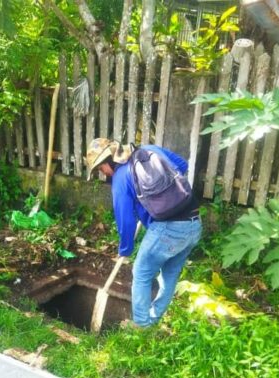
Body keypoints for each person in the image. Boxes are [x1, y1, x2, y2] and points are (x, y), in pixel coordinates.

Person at [85, 138, 201, 328]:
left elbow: (126, 221)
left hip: (168, 229)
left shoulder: (121, 179)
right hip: (194, 223)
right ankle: (154, 319)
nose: (102, 173)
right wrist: (162, 198)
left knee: (141, 273)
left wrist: (125, 249)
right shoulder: (149, 150)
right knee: (169, 275)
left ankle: (141, 326)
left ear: (106, 162)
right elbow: (182, 165)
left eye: (100, 168)